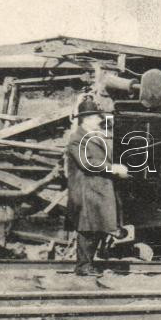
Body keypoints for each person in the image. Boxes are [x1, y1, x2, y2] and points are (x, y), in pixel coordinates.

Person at [65, 98, 129, 277]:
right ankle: (83, 267)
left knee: (97, 227)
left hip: (97, 189)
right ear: (86, 119)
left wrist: (116, 170)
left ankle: (88, 264)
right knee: (88, 229)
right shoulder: (76, 140)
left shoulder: (92, 136)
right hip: (87, 190)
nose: (99, 120)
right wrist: (112, 168)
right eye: (95, 117)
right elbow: (87, 163)